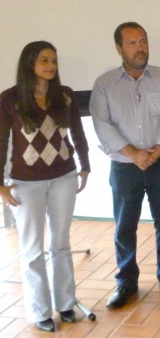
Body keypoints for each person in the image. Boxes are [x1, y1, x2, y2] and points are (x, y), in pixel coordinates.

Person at [90, 22, 160, 309]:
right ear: (119, 49)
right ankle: (126, 282)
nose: (140, 47)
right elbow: (101, 124)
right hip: (124, 167)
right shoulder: (104, 84)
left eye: (143, 41)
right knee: (124, 227)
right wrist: (133, 153)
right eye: (132, 43)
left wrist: (156, 151)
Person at [0, 41, 90, 333]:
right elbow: (1, 143)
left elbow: (77, 131)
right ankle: (39, 310)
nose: (51, 65)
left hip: (64, 177)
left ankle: (65, 303)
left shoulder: (64, 96)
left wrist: (85, 165)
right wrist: (0, 185)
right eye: (44, 60)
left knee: (61, 244)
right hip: (25, 184)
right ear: (29, 64)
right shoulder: (9, 99)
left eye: (53, 60)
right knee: (32, 250)